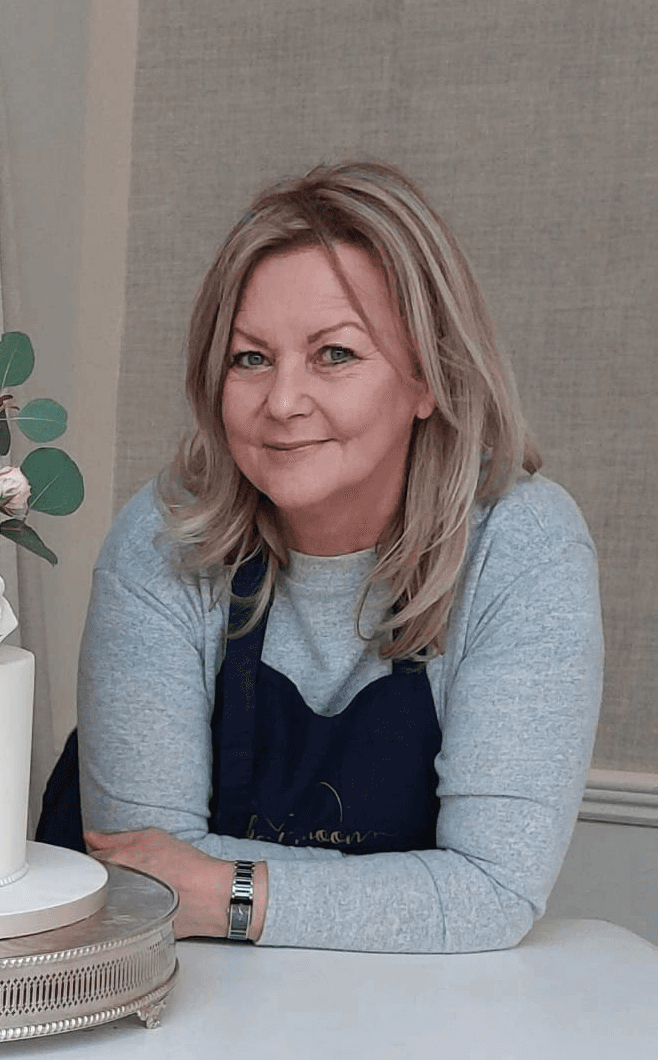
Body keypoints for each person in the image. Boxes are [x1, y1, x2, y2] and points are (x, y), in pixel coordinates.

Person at [72, 161, 603, 952]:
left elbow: (494, 889)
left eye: (335, 354)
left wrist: (227, 890)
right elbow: (144, 882)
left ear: (427, 377)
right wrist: (415, 895)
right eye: (251, 358)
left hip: (401, 1007)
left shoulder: (522, 546)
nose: (283, 401)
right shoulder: (165, 536)